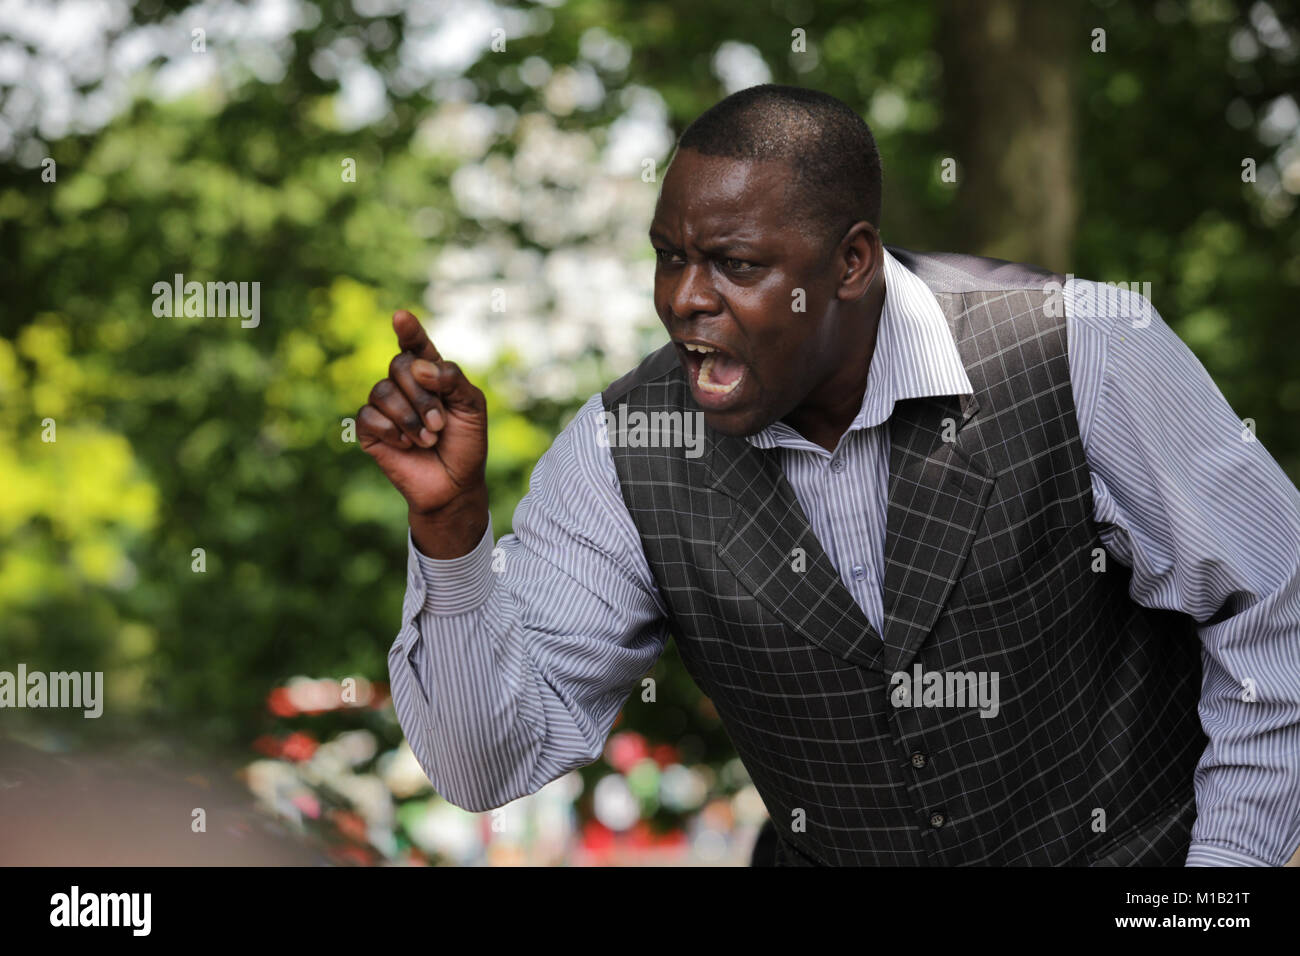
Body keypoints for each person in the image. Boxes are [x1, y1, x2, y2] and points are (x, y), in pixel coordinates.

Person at [358, 84, 1300, 866]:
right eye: (670, 257)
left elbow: (1278, 613)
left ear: (852, 262)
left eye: (734, 264)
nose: (685, 300)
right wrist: (452, 531)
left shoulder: (1083, 350)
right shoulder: (622, 449)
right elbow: (488, 766)